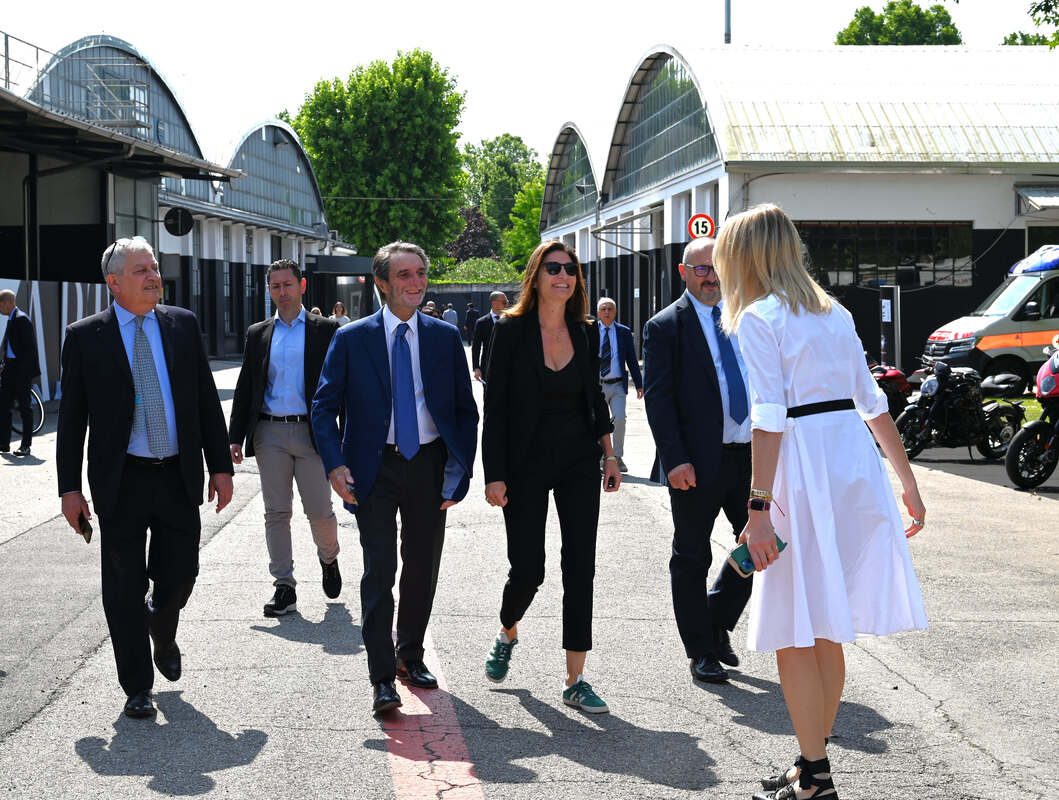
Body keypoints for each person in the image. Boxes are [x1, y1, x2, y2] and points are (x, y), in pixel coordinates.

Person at [712, 204, 927, 800]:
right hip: (850, 466)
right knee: (826, 625)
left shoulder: (759, 318)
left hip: (801, 469)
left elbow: (769, 417)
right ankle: (810, 767)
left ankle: (816, 775)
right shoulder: (833, 313)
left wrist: (757, 511)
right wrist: (907, 483)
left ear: (745, 258)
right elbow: (873, 402)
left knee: (791, 628)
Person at [56, 237, 234, 720]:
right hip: (121, 481)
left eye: (154, 267)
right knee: (122, 586)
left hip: (176, 475)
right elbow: (71, 420)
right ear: (113, 283)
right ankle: (136, 685)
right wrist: (69, 489)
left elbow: (204, 401)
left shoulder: (181, 325)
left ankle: (164, 625)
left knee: (180, 575)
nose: (154, 276)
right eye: (140, 270)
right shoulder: (86, 336)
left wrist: (220, 466)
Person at [311, 241, 478, 715]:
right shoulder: (351, 339)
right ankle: (382, 677)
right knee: (380, 571)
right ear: (381, 283)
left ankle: (410, 656)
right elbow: (323, 408)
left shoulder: (445, 338)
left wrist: (458, 468)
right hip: (373, 469)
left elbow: (465, 412)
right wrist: (334, 463)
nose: (415, 283)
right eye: (403, 275)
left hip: (427, 465)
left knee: (421, 568)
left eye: (420, 273)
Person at [481, 241, 620, 714]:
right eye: (553, 267)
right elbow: (495, 408)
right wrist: (494, 474)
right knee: (528, 569)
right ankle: (507, 630)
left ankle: (575, 677)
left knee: (581, 563)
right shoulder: (511, 330)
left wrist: (610, 454)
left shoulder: (584, 332)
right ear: (536, 275)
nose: (563, 275)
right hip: (524, 464)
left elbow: (595, 399)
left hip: (579, 461)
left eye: (570, 269)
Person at [642, 236, 755, 685]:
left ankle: (718, 617)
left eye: (717, 268)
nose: (711, 277)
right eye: (701, 269)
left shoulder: (747, 317)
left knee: (763, 546)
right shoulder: (666, 326)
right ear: (683, 272)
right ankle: (701, 649)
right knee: (691, 555)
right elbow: (659, 399)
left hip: (751, 458)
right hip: (695, 463)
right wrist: (674, 460)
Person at [229, 259, 342, 617]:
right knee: (276, 512)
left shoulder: (327, 331)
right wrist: (235, 436)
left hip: (312, 434)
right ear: (268, 290)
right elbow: (246, 386)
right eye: (275, 286)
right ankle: (284, 586)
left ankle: (329, 558)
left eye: (288, 284)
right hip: (269, 433)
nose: (282, 291)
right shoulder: (258, 333)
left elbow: (342, 386)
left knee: (319, 511)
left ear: (302, 286)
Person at [595, 297, 643, 473]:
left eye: (610, 309)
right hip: (597, 386)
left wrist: (639, 384)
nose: (607, 312)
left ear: (615, 312)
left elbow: (631, 359)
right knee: (598, 421)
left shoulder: (623, 332)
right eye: (604, 309)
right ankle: (601, 456)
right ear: (598, 312)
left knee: (620, 418)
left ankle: (617, 456)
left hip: (617, 385)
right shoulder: (591, 331)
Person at [0, 289, 41, 456]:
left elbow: (30, 350)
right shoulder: (11, 319)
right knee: (3, 406)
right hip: (10, 369)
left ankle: (25, 445)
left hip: (21, 371)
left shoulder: (21, 319)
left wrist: (22, 374)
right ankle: (4, 443)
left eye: (0, 304)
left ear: (7, 303)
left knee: (25, 408)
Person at [472, 291, 508, 382]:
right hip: (488, 366)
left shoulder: (511, 320)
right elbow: (476, 346)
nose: (507, 304)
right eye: (504, 302)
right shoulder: (481, 322)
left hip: (508, 366)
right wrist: (476, 368)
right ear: (494, 302)